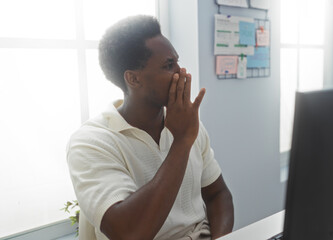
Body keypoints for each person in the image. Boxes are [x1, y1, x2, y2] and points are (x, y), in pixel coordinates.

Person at [66, 15, 234, 240]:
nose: (181, 72)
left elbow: (218, 195)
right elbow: (129, 233)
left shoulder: (189, 125)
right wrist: (182, 141)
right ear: (133, 79)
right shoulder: (90, 142)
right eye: (168, 65)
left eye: (177, 61)